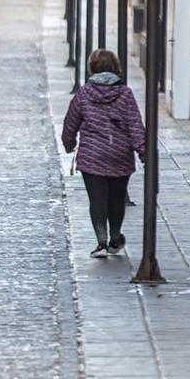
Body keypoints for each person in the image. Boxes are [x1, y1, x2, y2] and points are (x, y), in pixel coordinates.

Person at [62, 49, 147, 259]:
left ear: (92, 68)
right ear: (116, 68)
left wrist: (69, 143)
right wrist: (145, 154)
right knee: (117, 199)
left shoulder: (83, 93)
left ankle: (101, 241)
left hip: (92, 155)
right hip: (120, 154)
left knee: (97, 199)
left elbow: (70, 122)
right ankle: (115, 238)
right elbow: (135, 125)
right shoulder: (125, 94)